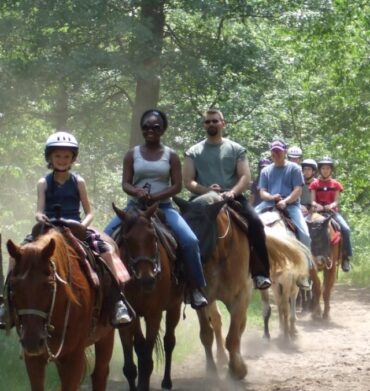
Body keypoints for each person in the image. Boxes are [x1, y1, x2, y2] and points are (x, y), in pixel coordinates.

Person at [0, 131, 132, 329]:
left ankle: (117, 301)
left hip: (74, 228)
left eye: (66, 156)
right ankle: (7, 306)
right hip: (48, 227)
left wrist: (83, 225)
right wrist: (40, 217)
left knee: (105, 251)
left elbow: (89, 212)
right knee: (16, 255)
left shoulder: (78, 182)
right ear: (50, 158)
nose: (62, 160)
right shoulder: (43, 182)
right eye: (57, 156)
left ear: (72, 159)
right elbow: (39, 210)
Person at [104, 109, 208, 309]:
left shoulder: (171, 156)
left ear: (162, 130)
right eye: (146, 127)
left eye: (155, 127)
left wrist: (156, 198)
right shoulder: (132, 154)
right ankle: (107, 291)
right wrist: (136, 191)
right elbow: (125, 183)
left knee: (190, 241)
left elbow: (177, 186)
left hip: (164, 208)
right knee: (105, 239)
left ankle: (194, 288)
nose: (150, 130)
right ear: (141, 129)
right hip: (134, 209)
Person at [183, 108, 271, 290]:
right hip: (202, 201)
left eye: (215, 121)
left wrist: (232, 192)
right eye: (207, 122)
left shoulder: (236, 149)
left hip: (232, 198)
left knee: (255, 223)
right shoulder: (193, 151)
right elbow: (188, 181)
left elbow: (245, 177)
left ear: (223, 123)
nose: (211, 124)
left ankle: (260, 273)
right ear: (203, 125)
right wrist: (206, 190)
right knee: (181, 231)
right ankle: (183, 278)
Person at [254, 139, 311, 289]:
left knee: (305, 235)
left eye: (279, 151)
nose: (276, 154)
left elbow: (298, 190)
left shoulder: (294, 168)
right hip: (268, 204)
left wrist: (285, 201)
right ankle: (252, 269)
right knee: (247, 224)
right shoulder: (266, 170)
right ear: (271, 153)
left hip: (291, 205)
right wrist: (272, 198)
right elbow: (262, 192)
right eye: (274, 151)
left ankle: (304, 274)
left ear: (284, 152)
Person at [309, 156, 352, 272]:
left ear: (331, 170)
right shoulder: (314, 184)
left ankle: (345, 257)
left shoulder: (336, 184)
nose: (325, 170)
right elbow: (312, 200)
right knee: (304, 229)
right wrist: (316, 205)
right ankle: (306, 258)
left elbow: (337, 200)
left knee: (346, 229)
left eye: (328, 168)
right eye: (323, 168)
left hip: (332, 213)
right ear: (319, 170)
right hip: (317, 213)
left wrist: (331, 205)